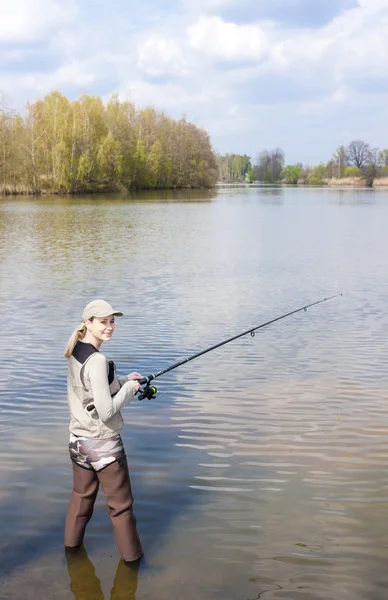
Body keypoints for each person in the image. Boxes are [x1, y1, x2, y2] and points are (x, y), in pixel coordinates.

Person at [64, 299, 143, 565]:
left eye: (112, 321)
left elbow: (91, 392)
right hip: (103, 446)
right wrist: (129, 391)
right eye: (103, 322)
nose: (109, 327)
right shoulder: (98, 360)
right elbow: (107, 411)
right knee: (121, 509)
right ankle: (134, 566)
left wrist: (123, 381)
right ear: (88, 323)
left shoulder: (77, 350)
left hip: (78, 442)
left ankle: (71, 553)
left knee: (81, 498)